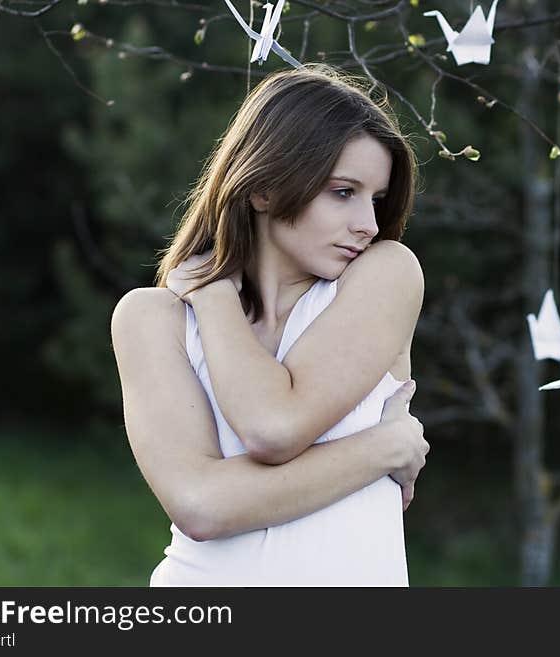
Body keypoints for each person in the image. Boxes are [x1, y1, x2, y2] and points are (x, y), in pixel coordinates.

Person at [111, 64, 428, 586]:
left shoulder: (385, 274)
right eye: (343, 192)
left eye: (376, 199)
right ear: (263, 189)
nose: (368, 225)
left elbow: (274, 428)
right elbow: (203, 507)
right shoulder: (152, 318)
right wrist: (382, 449)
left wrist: (210, 292)